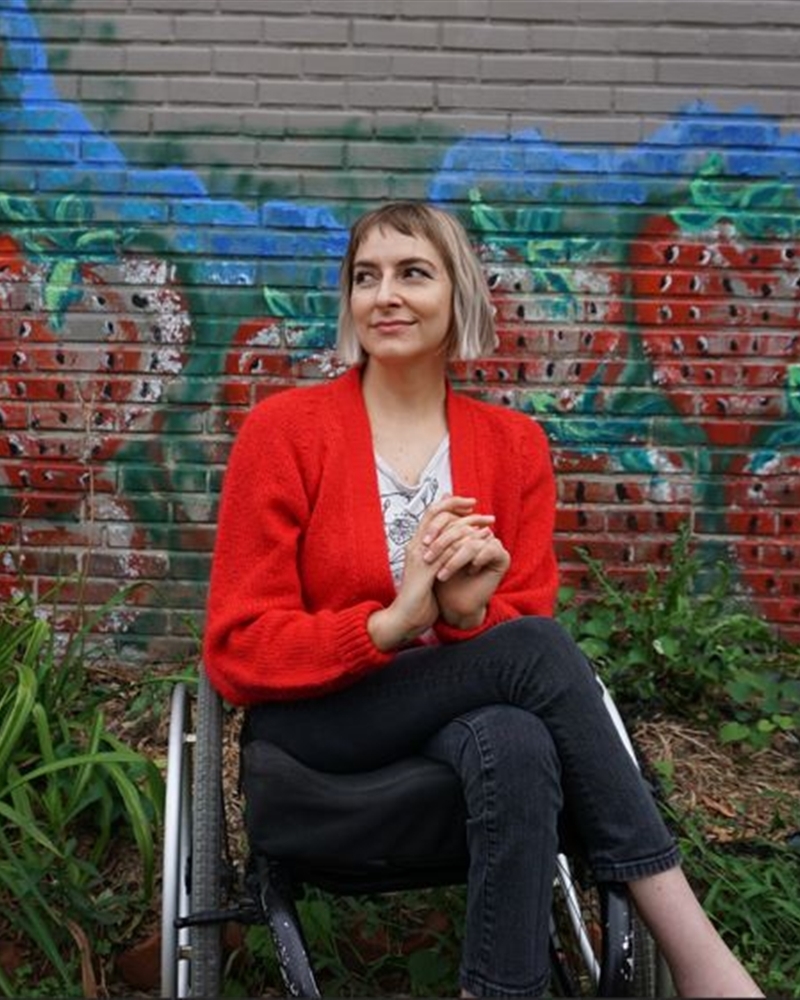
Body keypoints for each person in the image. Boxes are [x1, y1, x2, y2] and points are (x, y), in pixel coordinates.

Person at [204, 201, 762, 998]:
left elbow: (517, 622)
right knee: (536, 652)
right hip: (323, 719)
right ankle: (694, 947)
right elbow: (238, 647)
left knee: (517, 739)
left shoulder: (512, 447)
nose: (384, 296)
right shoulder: (283, 433)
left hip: (459, 711)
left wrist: (465, 618)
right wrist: (391, 624)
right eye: (366, 277)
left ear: (460, 296)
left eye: (413, 273)